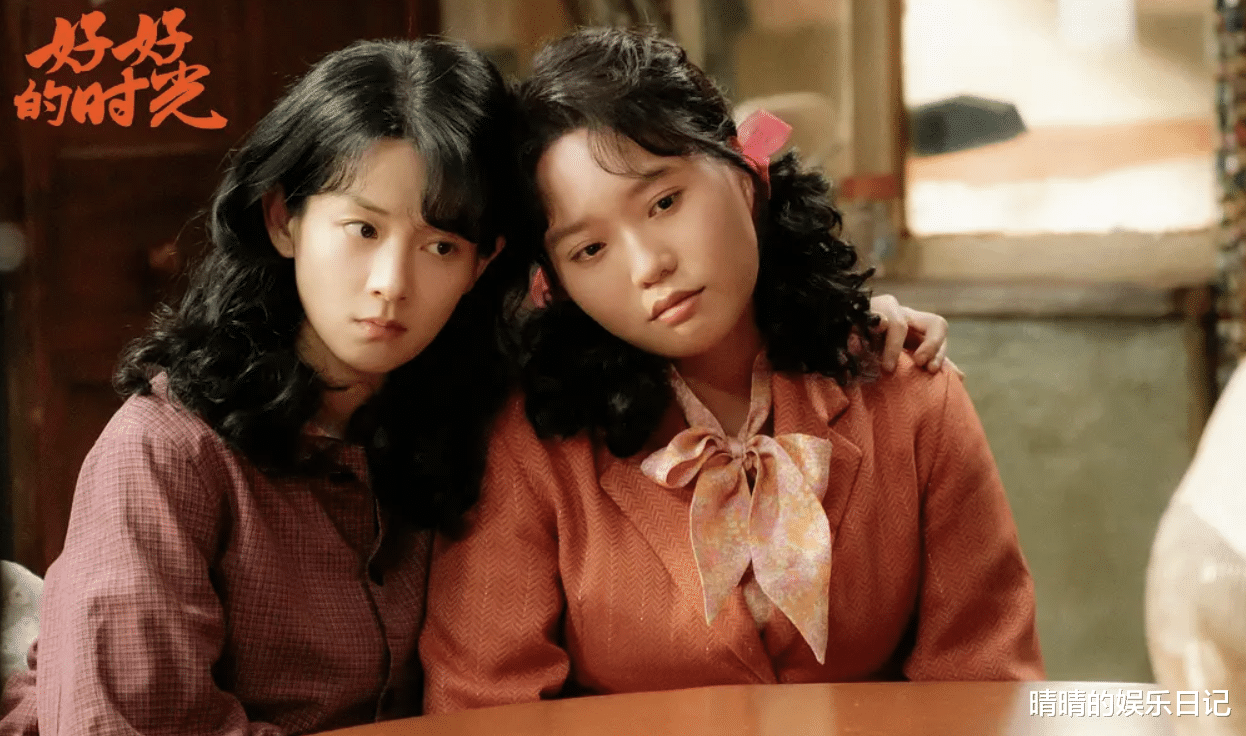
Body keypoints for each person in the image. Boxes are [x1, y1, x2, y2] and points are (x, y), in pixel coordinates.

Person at [419, 26, 1044, 714]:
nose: (648, 265)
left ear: (745, 180)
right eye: (590, 249)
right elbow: (482, 709)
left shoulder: (910, 395)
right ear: (557, 283)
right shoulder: (531, 444)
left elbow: (984, 686)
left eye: (664, 203)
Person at [0, 37, 517, 735]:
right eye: (362, 228)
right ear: (283, 220)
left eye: (440, 247)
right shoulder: (167, 449)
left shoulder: (475, 426)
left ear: (482, 264)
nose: (391, 283)